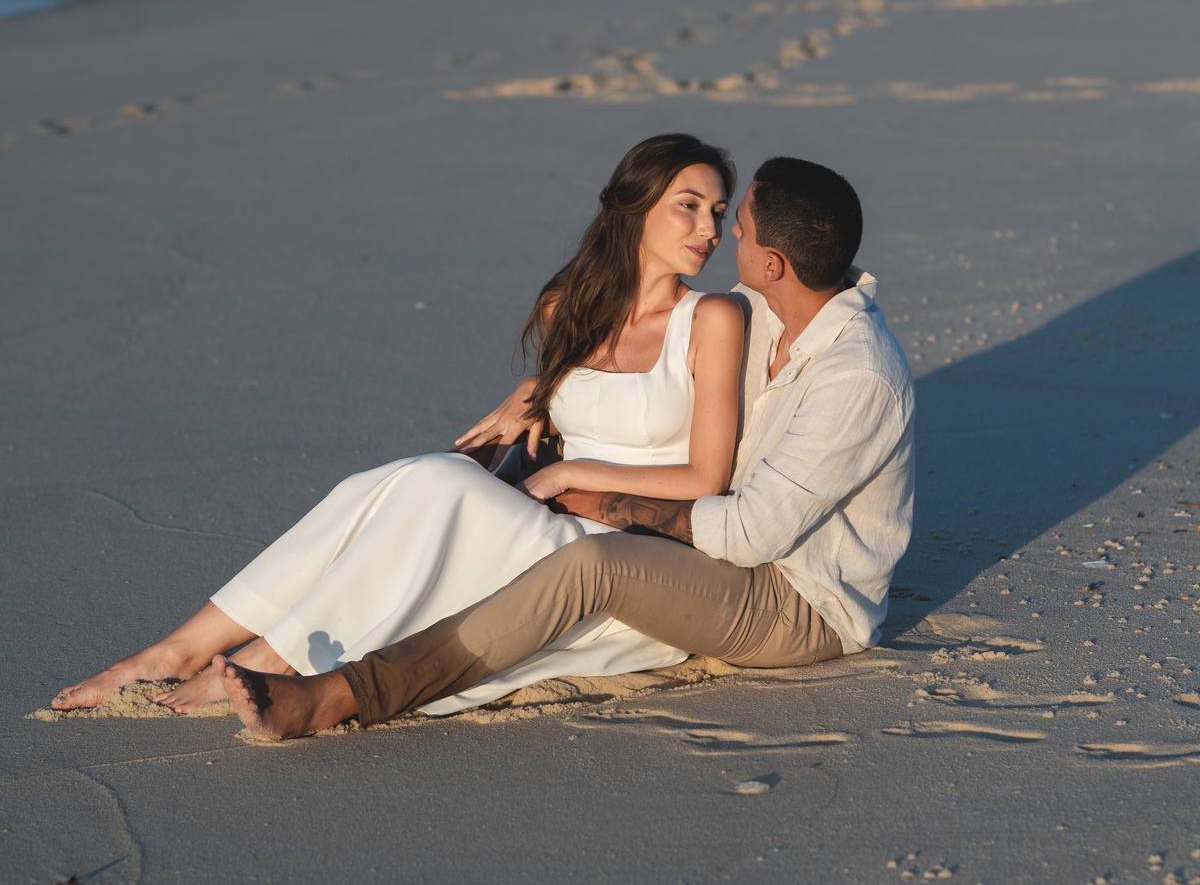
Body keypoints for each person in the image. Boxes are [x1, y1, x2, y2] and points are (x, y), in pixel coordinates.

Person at [215, 155, 916, 741]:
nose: (725, 233)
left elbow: (748, 531)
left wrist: (586, 493)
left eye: (740, 227)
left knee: (591, 563)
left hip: (799, 602)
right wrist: (543, 387)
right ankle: (255, 631)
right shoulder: (769, 307)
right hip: (733, 555)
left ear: (771, 263)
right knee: (444, 481)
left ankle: (339, 694)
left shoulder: (858, 375)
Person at [51, 133, 746, 716]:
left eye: (717, 211)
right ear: (634, 208)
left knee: (436, 481)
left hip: (627, 558)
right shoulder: (570, 307)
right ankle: (176, 649)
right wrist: (541, 387)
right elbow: (571, 412)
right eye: (688, 207)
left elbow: (704, 475)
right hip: (546, 529)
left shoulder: (710, 319)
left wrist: (567, 470)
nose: (710, 230)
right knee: (384, 484)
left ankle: (263, 657)